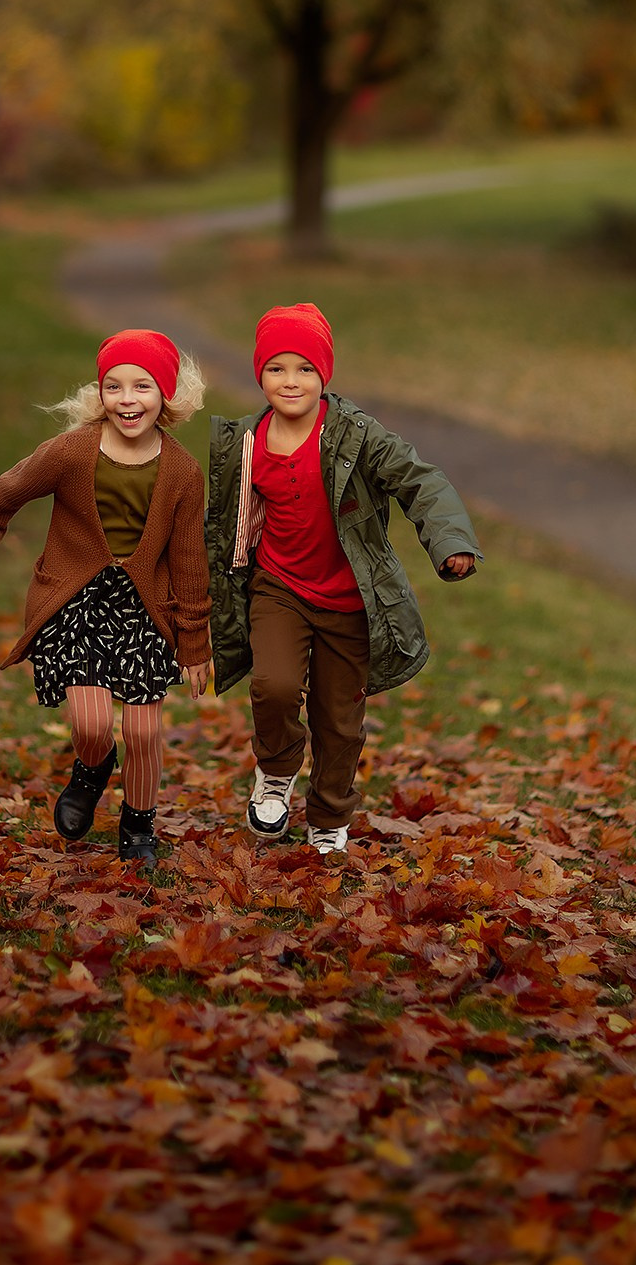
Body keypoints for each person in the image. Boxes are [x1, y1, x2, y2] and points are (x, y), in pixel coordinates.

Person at [205, 302, 480, 857]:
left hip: (349, 598)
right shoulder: (246, 443)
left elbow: (420, 481)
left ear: (324, 375)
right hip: (277, 587)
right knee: (274, 686)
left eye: (305, 368)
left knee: (339, 718)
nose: (290, 381)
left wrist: (450, 541)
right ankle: (277, 772)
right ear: (258, 373)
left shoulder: (357, 436)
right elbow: (217, 523)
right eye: (277, 368)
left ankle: (329, 814)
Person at [0, 330, 211, 869]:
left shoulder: (182, 471)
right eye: (114, 386)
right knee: (92, 725)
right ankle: (92, 769)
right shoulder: (71, 451)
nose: (127, 399)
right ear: (99, 393)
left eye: (142, 386)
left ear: (166, 395)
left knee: (143, 727)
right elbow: (10, 488)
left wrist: (195, 642)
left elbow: (188, 561)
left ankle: (139, 826)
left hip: (142, 609)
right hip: (77, 602)